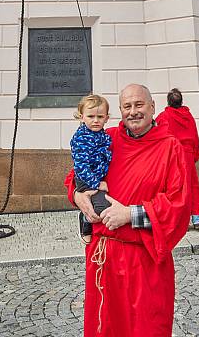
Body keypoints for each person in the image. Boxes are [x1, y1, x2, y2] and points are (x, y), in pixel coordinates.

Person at [66, 84, 190, 337]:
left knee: (146, 328)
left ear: (152, 107)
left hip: (144, 262)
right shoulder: (106, 138)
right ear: (120, 111)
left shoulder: (170, 147)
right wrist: (77, 195)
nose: (133, 112)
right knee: (105, 328)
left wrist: (129, 214)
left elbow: (179, 205)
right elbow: (73, 176)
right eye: (127, 106)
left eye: (139, 105)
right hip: (104, 259)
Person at [156, 88, 199, 230]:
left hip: (173, 154)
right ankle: (197, 218)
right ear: (181, 101)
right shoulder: (188, 116)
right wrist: (195, 154)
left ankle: (181, 220)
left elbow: (159, 135)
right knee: (192, 185)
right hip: (188, 154)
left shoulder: (163, 116)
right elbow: (194, 136)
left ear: (168, 101)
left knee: (176, 187)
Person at [70, 94, 112, 243]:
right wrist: (96, 184)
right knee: (101, 207)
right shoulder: (81, 138)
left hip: (97, 176)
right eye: (91, 116)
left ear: (106, 118)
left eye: (100, 117)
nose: (95, 120)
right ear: (82, 117)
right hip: (86, 179)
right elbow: (81, 166)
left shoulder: (103, 135)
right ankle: (85, 221)